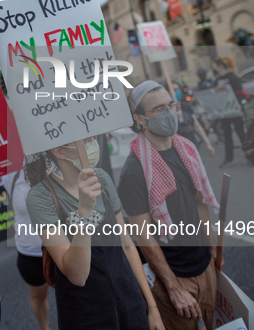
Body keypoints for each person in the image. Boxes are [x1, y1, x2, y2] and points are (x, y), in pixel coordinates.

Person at [25, 137, 164, 330]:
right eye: (84, 140)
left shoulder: (102, 178)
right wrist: (84, 213)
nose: (92, 143)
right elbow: (77, 275)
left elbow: (127, 246)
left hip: (129, 299)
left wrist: (152, 307)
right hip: (86, 313)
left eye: (91, 137)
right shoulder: (41, 197)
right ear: (59, 151)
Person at [118, 81, 220, 330]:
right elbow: (144, 237)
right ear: (140, 119)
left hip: (204, 264)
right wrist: (173, 287)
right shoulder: (134, 171)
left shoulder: (187, 148)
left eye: (171, 105)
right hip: (173, 276)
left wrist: (212, 246)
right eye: (159, 109)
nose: (170, 113)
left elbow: (200, 201)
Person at [3, 170, 50, 330]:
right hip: (30, 254)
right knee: (38, 298)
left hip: (62, 248)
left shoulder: (55, 162)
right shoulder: (10, 175)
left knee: (73, 297)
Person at [212, 56, 247, 168]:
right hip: (224, 112)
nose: (214, 68)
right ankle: (228, 158)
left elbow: (239, 92)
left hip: (235, 110)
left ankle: (250, 156)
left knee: (241, 133)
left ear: (220, 65)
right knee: (227, 135)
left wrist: (241, 106)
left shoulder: (233, 77)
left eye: (215, 65)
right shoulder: (217, 80)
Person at [172, 81, 215, 157]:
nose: (176, 92)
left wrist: (208, 144)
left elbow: (197, 126)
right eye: (173, 90)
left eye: (177, 89)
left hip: (193, 147)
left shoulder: (185, 106)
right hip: (179, 151)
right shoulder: (167, 112)